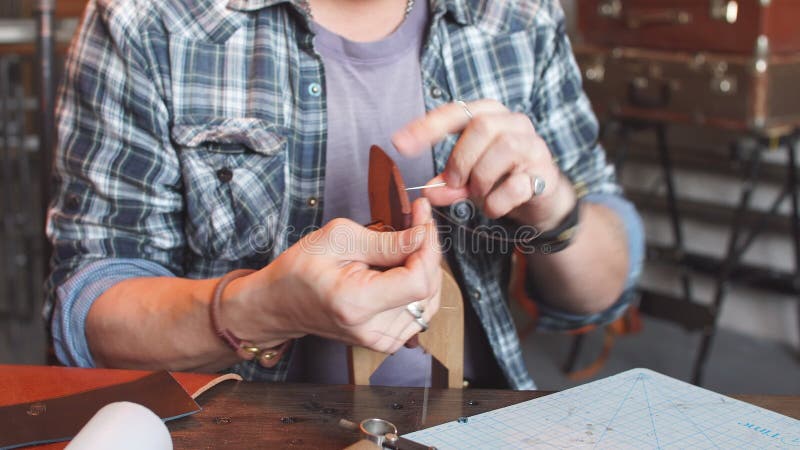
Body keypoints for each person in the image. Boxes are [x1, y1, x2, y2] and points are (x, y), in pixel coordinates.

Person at [47, 0, 644, 390]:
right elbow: (88, 318)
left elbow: (602, 291)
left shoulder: (518, 16)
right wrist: (265, 307)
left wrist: (553, 207)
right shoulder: (149, 22)